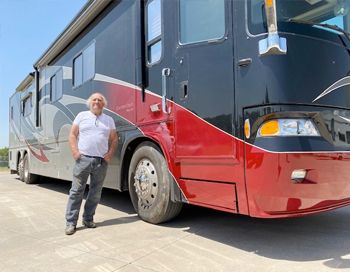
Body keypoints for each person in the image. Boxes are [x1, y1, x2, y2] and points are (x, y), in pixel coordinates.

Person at [65, 92, 117, 235]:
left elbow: (114, 139)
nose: (97, 101)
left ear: (103, 104)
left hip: (100, 161)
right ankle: (71, 223)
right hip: (83, 160)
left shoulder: (109, 120)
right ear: (90, 102)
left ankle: (88, 219)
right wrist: (75, 152)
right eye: (94, 99)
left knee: (95, 192)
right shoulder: (81, 116)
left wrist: (110, 154)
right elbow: (72, 135)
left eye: (100, 100)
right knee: (76, 191)